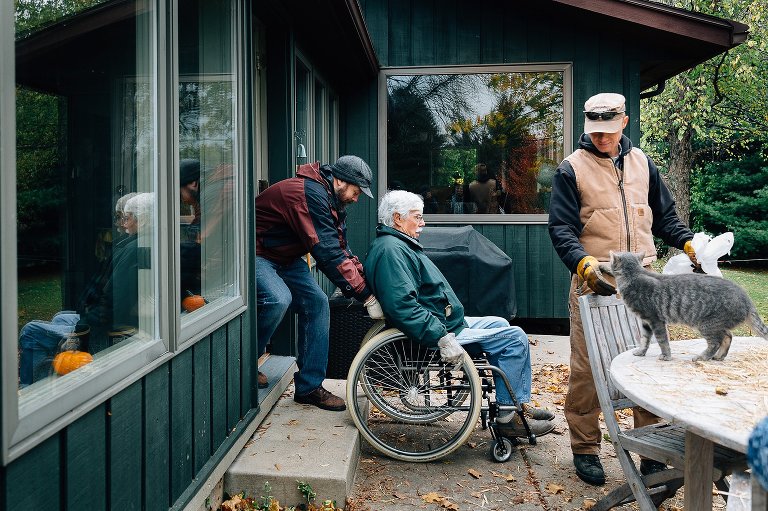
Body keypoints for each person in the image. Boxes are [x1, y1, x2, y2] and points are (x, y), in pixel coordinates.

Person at [548, 92, 699, 485]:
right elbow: (561, 228)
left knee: (649, 360)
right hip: (595, 279)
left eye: (608, 131)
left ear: (624, 123)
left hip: (644, 280)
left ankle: (650, 446)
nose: (601, 138)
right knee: (588, 368)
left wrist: (687, 243)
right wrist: (581, 263)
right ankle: (585, 448)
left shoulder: (643, 163)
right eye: (595, 132)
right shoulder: (571, 168)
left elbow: (664, 217)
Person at [364, 190, 556, 438]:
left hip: (446, 322)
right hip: (438, 331)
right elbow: (403, 307)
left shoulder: (396, 245)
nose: (423, 223)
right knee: (515, 338)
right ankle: (508, 418)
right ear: (398, 219)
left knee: (499, 322)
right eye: (417, 217)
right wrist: (442, 337)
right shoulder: (392, 251)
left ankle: (515, 401)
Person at [255, 155, 383, 410]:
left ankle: (309, 387)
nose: (356, 198)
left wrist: (365, 280)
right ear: (340, 181)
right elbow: (326, 252)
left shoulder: (331, 199)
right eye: (356, 192)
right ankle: (246, 363)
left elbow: (340, 247)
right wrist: (365, 296)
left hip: (287, 257)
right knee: (278, 299)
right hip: (258, 253)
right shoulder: (307, 194)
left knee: (318, 303)